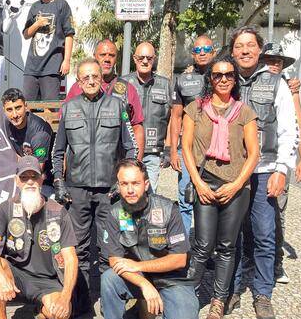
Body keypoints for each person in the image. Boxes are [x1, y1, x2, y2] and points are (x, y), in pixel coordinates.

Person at [51, 58, 138, 315]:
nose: (90, 81)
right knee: (77, 247)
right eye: (85, 77)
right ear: (78, 82)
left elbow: (131, 148)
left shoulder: (117, 105)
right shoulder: (69, 108)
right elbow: (57, 151)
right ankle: (80, 301)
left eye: (95, 76)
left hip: (109, 190)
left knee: (110, 245)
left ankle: (110, 301)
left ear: (102, 79)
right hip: (76, 190)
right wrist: (58, 181)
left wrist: (122, 182)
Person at [99, 159, 200, 319]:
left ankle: (167, 310)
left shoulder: (168, 209)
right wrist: (144, 284)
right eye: (124, 184)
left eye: (135, 183)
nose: (130, 189)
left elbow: (179, 259)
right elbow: (115, 260)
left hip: (173, 279)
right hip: (140, 279)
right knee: (109, 279)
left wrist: (139, 266)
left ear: (146, 184)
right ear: (118, 185)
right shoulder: (114, 213)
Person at [182, 56, 259, 319]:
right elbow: (186, 148)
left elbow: (254, 154)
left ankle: (218, 301)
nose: (223, 79)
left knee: (227, 246)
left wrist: (236, 185)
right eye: (217, 75)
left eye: (228, 75)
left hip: (235, 187)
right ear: (210, 79)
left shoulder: (245, 112)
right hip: (205, 183)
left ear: (235, 79)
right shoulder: (195, 109)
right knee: (203, 245)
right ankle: (186, 297)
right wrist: (198, 183)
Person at [228, 26, 298, 319]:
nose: (245, 50)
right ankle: (230, 289)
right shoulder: (224, 80)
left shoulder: (275, 83)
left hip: (264, 170)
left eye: (250, 45)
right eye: (239, 46)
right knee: (231, 235)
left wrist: (282, 169)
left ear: (259, 50)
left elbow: (288, 129)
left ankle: (262, 293)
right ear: (232, 52)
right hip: (231, 171)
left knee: (265, 234)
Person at [0, 156, 78, 319]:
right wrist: (1, 276)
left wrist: (65, 296)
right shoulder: (6, 208)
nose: (30, 182)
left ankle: (42, 311)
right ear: (17, 181)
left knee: (61, 316)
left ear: (42, 179)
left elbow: (71, 258)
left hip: (48, 281)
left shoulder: (58, 212)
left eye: (34, 176)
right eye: (24, 177)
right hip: (17, 275)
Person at [260, 42, 301, 284]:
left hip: (279, 161)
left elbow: (298, 125)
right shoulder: (254, 85)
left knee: (277, 213)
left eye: (277, 61)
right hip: (255, 160)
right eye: (269, 60)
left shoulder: (288, 88)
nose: (273, 65)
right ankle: (251, 258)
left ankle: (276, 264)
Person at [169, 35, 216, 232]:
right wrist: (173, 151)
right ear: (192, 54)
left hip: (216, 148)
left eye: (206, 49)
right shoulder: (182, 80)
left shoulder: (224, 76)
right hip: (188, 149)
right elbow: (176, 117)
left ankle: (208, 242)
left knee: (212, 197)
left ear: (213, 52)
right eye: (197, 50)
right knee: (186, 197)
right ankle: (184, 244)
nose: (202, 53)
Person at [65, 39, 145, 153]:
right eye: (103, 55)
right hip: (82, 158)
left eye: (111, 55)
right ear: (95, 56)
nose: (107, 59)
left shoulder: (128, 89)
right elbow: (65, 127)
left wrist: (136, 161)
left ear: (116, 59)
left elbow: (137, 127)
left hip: (117, 158)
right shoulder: (77, 87)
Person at [121, 42, 172, 191]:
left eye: (149, 58)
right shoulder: (123, 84)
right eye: (141, 57)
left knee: (149, 194)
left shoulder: (165, 84)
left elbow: (172, 119)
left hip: (152, 154)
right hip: (128, 151)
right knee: (128, 194)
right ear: (134, 59)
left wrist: (168, 149)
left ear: (154, 59)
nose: (145, 61)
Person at [21, 0, 75, 100]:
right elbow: (26, 34)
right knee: (26, 105)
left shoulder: (62, 5)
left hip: (52, 66)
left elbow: (69, 34)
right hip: (32, 67)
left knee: (50, 107)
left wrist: (67, 60)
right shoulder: (35, 7)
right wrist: (37, 24)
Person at [0, 88, 54, 195]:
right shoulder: (6, 124)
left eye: (18, 108)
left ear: (25, 106)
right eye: (9, 110)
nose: (14, 115)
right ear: (4, 110)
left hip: (44, 181)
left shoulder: (40, 132)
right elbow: (14, 154)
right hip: (23, 172)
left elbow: (37, 170)